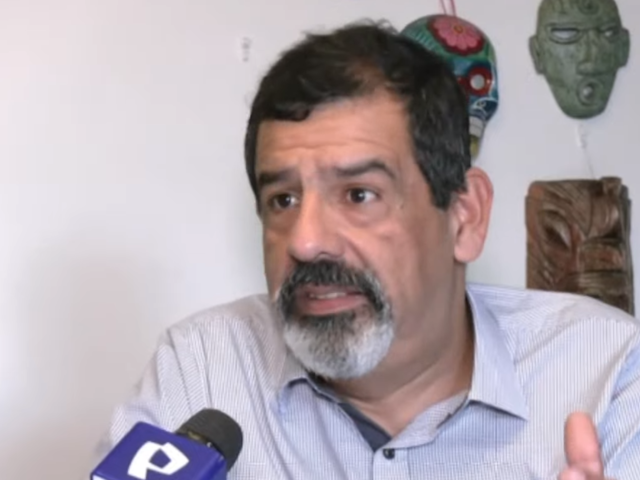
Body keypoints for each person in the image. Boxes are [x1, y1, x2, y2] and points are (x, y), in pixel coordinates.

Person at [94, 21, 640, 479]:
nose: (306, 241)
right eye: (283, 199)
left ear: (465, 216)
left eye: (359, 194)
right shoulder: (202, 368)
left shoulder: (606, 371)